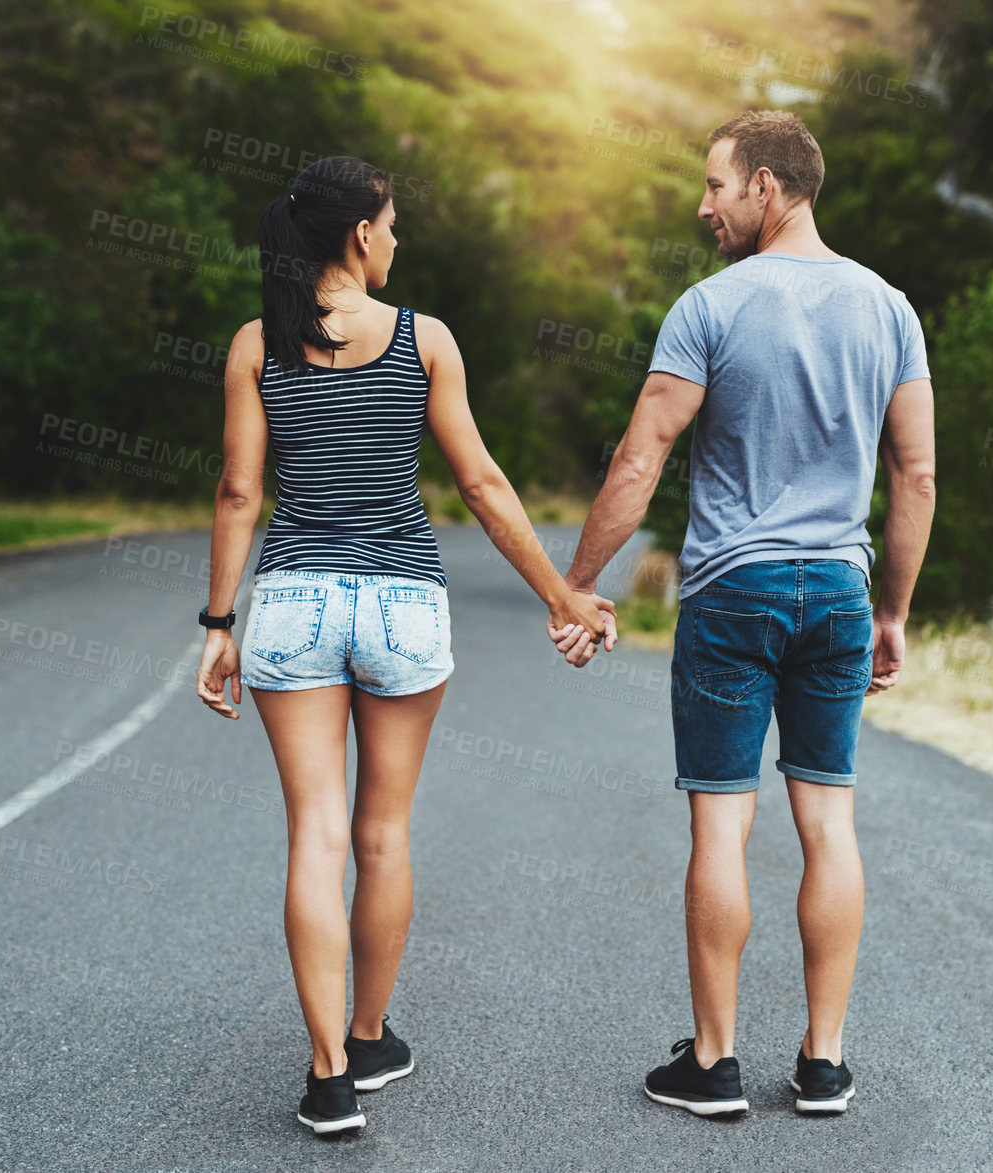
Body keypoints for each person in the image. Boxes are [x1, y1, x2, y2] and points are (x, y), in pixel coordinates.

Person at [195, 156, 613, 1136]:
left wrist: (218, 624)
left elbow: (238, 494)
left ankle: (329, 1074)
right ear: (356, 235)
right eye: (390, 224)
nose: (397, 239)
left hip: (293, 602)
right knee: (382, 836)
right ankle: (371, 1036)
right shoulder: (425, 340)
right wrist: (564, 596)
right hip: (402, 606)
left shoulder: (257, 344)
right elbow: (482, 485)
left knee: (316, 836)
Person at [549, 110, 937, 1117]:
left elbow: (642, 458)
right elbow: (918, 475)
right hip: (838, 592)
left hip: (732, 593)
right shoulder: (890, 307)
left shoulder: (709, 307)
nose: (703, 203)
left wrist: (579, 584)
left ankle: (714, 1063)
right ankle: (823, 1062)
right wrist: (890, 610)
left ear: (769, 187)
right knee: (827, 821)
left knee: (721, 826)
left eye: (716, 185)